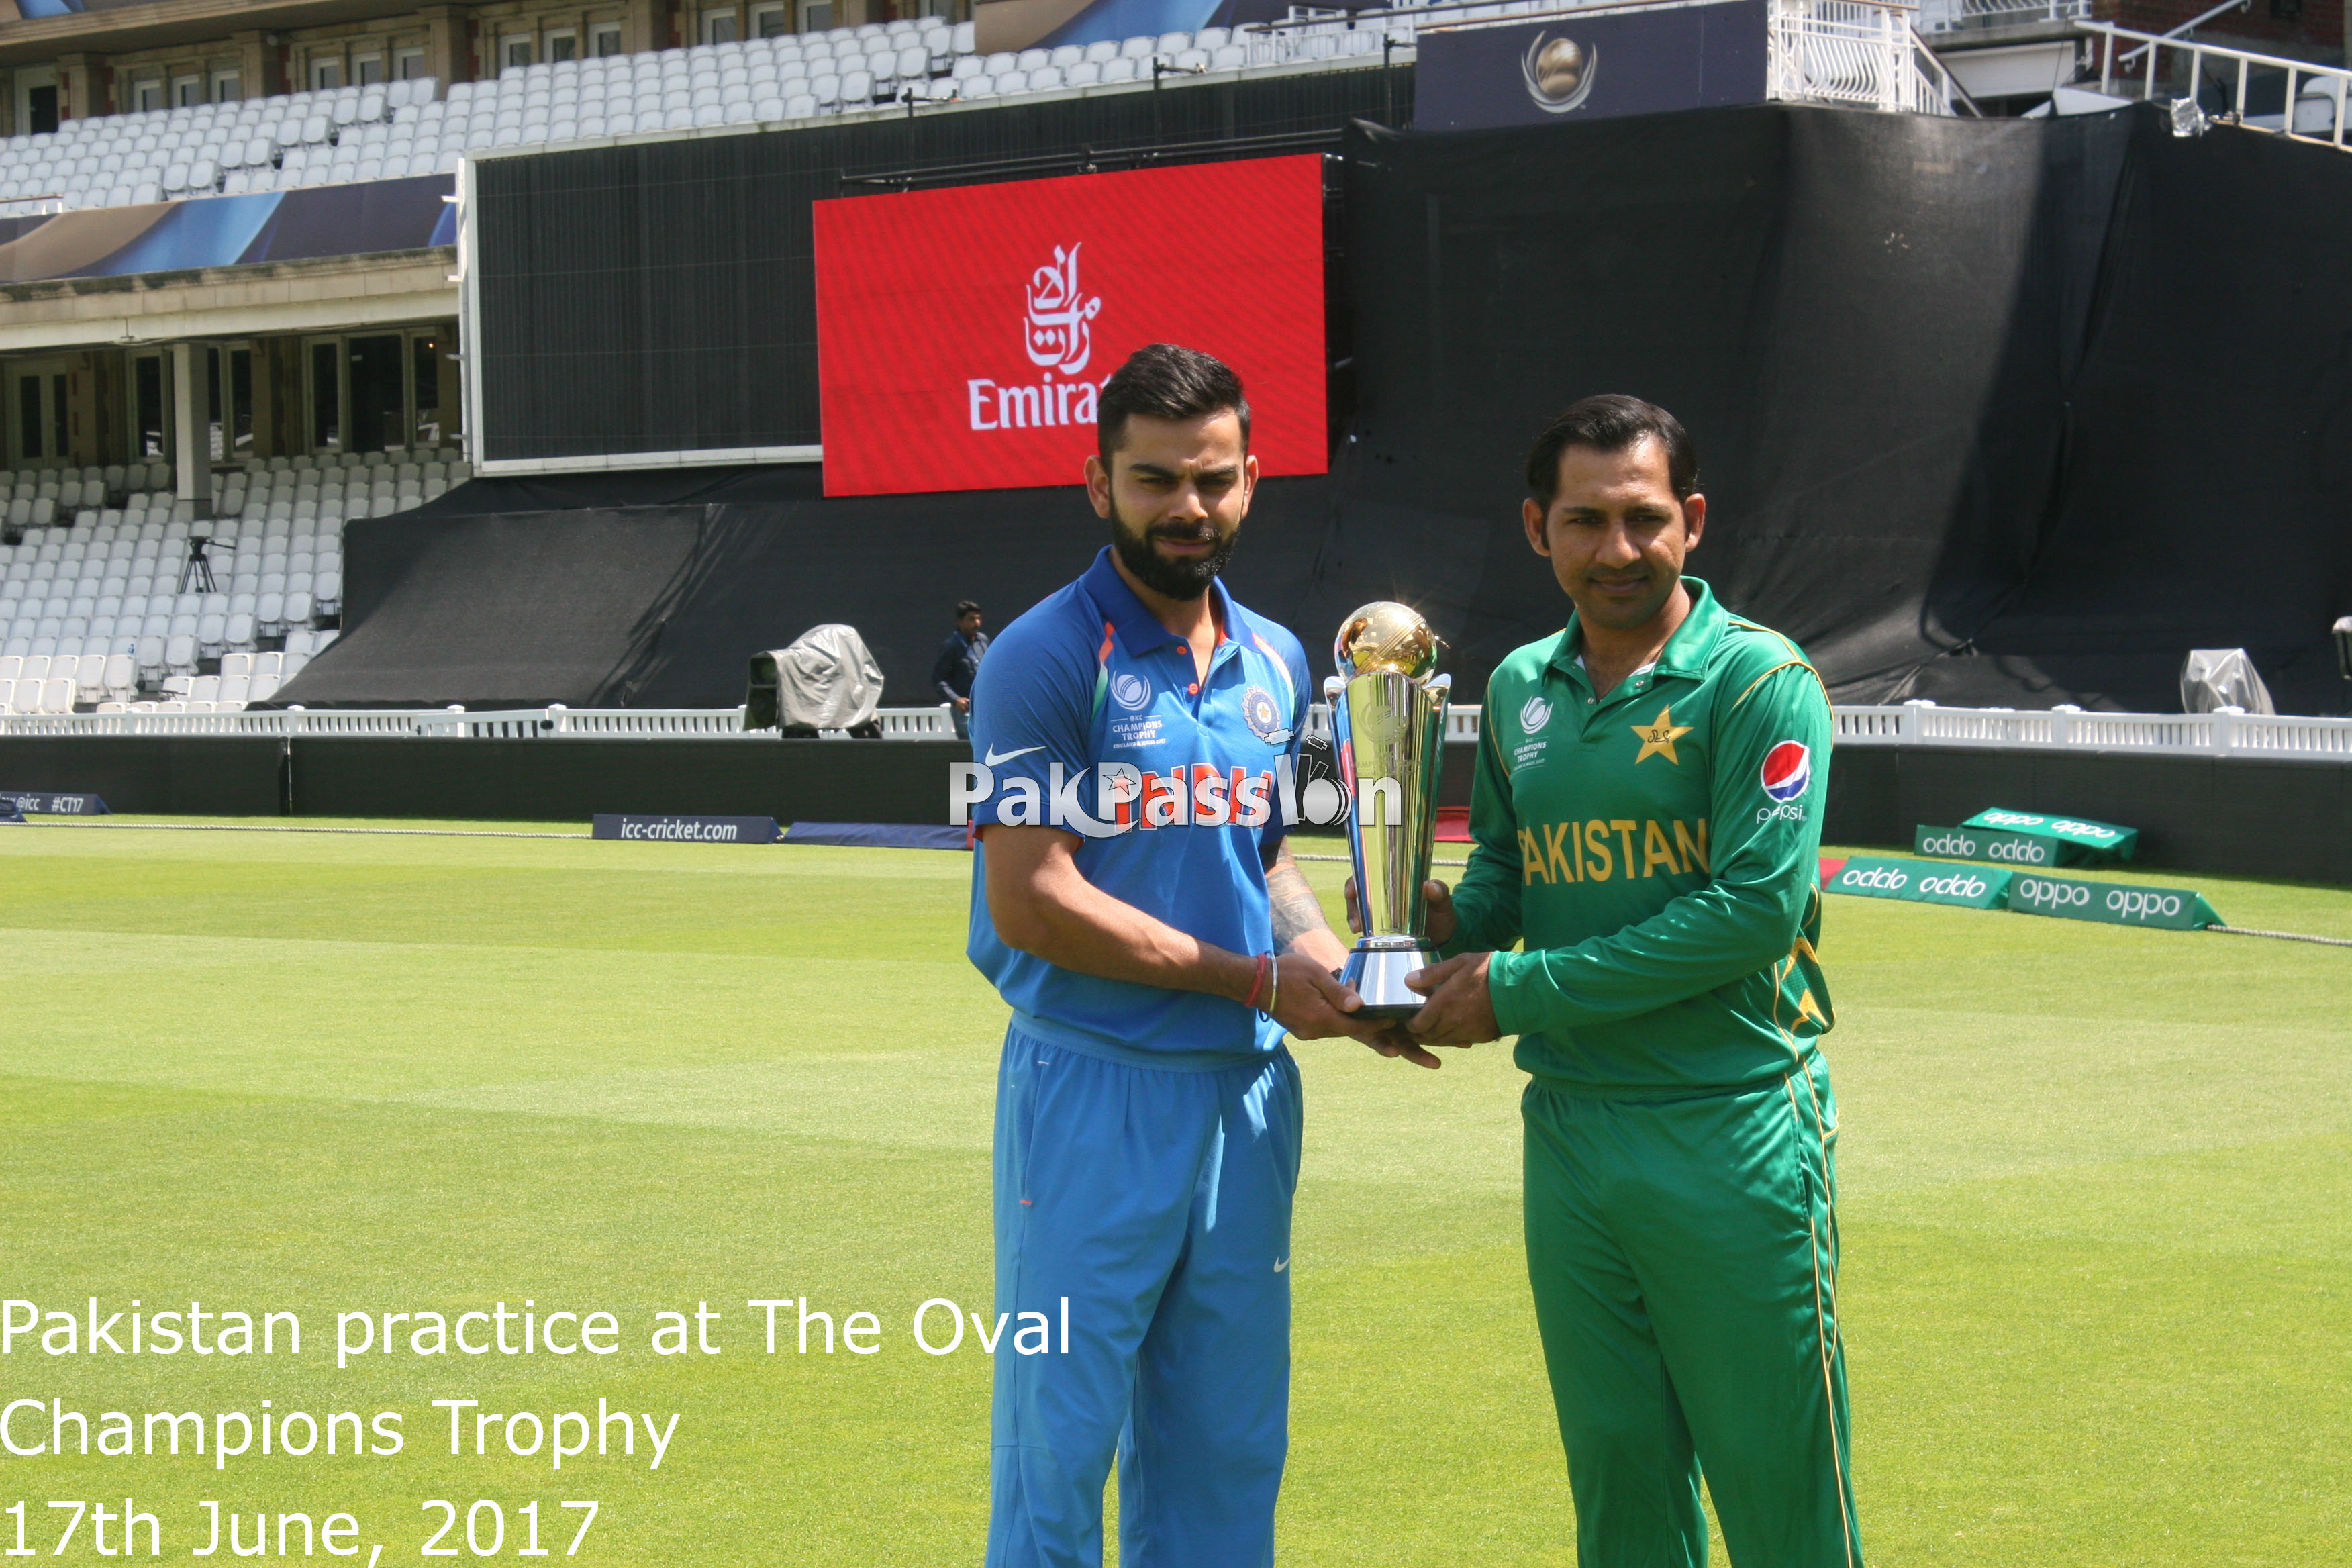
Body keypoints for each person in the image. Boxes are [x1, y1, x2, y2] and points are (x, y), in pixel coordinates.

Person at [964, 343, 1432, 1568]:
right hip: (1090, 1090)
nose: (1187, 507)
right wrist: (1255, 981)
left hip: (1244, 1095)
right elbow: (1033, 900)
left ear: (1252, 480)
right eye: (1155, 479)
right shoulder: (1044, 657)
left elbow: (1263, 859)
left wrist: (1340, 969)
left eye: (1211, 480)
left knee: (1223, 1448)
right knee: (1057, 1450)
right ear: (1095, 483)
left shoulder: (1280, 658)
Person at [1395, 395, 1858, 1567]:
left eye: (1642, 518)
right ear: (1533, 528)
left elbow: (1747, 913)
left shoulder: (1758, 681)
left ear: (1690, 521)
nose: (1615, 550)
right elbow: (1509, 877)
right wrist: (1434, 914)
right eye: (1584, 520)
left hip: (1731, 1124)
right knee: (1617, 1480)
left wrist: (1512, 991)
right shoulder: (1515, 688)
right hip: (1570, 1130)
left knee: (1776, 1489)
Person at [936, 599, 989, 738]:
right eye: (971, 619)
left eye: (978, 619)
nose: (977, 623)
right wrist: (956, 700)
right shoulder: (951, 646)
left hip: (985, 706)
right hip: (966, 709)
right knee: (972, 745)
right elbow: (939, 679)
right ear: (960, 622)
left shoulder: (982, 640)